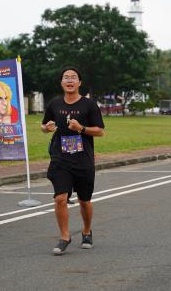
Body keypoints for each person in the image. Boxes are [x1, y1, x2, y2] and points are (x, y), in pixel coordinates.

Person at [41, 67, 105, 255]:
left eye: (73, 77)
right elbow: (44, 126)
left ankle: (86, 230)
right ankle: (65, 236)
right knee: (60, 198)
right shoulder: (54, 104)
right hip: (60, 157)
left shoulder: (89, 105)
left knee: (85, 200)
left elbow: (100, 131)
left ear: (79, 83)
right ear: (61, 83)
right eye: (66, 78)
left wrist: (81, 128)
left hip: (83, 158)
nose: (69, 80)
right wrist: (47, 127)